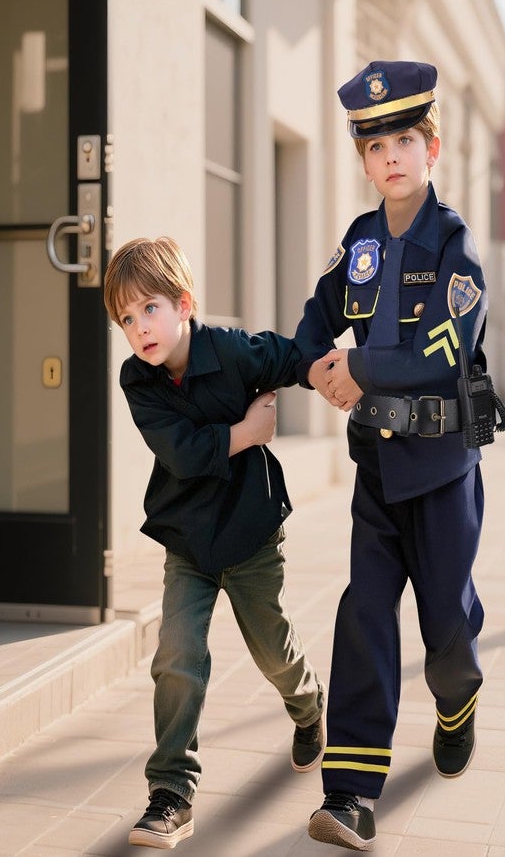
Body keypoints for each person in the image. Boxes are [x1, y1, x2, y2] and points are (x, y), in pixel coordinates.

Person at [294, 60, 490, 851]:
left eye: (405, 139)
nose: (391, 157)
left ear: (431, 147)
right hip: (376, 466)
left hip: (441, 471)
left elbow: (444, 351)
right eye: (375, 147)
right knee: (364, 615)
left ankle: (457, 701)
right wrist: (311, 362)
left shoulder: (456, 246)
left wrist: (359, 367)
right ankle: (349, 794)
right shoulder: (362, 242)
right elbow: (320, 312)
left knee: (445, 628)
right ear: (365, 160)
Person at [103, 237, 325, 850]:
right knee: (177, 655)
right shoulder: (138, 380)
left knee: (272, 651)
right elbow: (181, 451)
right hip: (189, 540)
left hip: (251, 532)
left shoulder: (228, 350)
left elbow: (287, 356)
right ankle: (171, 792)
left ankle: (309, 708)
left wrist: (326, 374)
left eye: (150, 308)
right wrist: (249, 431)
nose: (140, 327)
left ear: (184, 304)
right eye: (126, 318)